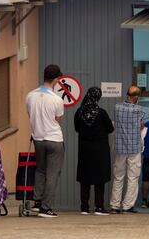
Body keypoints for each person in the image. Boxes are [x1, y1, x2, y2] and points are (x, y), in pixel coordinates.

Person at [26, 64, 65, 218]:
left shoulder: (30, 96)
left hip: (38, 139)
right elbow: (58, 119)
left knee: (40, 170)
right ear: (55, 79)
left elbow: (30, 115)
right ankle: (46, 208)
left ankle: (37, 202)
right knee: (52, 174)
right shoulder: (57, 99)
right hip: (54, 139)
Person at [74, 87, 114, 215]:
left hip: (84, 149)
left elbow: (77, 128)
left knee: (85, 178)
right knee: (99, 178)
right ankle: (99, 207)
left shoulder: (79, 112)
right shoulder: (101, 113)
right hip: (100, 149)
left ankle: (84, 207)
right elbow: (110, 129)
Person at [110, 86, 144, 214]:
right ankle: (127, 206)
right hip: (134, 148)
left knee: (118, 176)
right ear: (136, 97)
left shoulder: (117, 107)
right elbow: (141, 125)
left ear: (127, 95)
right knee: (132, 177)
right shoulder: (139, 110)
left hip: (120, 147)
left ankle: (114, 205)